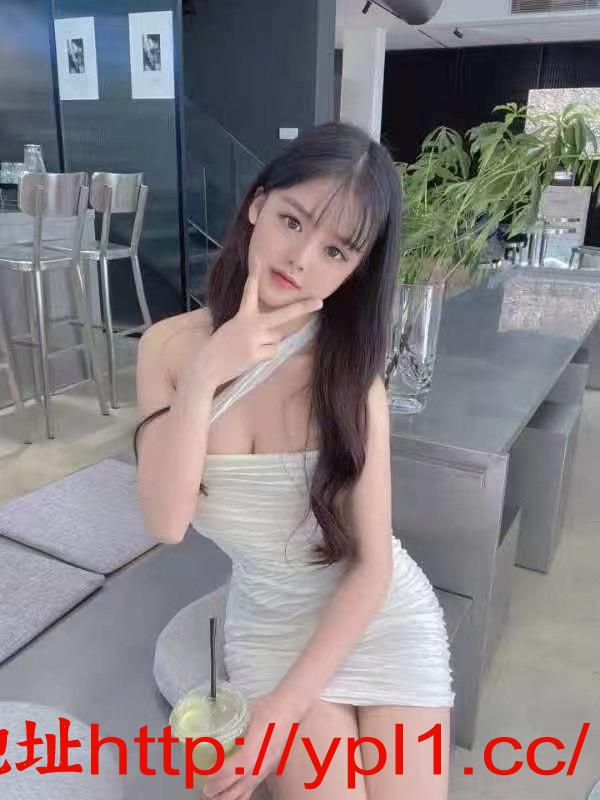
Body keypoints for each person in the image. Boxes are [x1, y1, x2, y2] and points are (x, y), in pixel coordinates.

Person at [133, 121, 455, 800]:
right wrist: (206, 372)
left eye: (335, 249)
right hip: (272, 628)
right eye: (292, 220)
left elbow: (372, 566)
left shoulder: (351, 378)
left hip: (379, 615)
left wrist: (277, 713)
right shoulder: (166, 348)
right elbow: (166, 521)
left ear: (355, 269)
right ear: (257, 204)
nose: (302, 257)